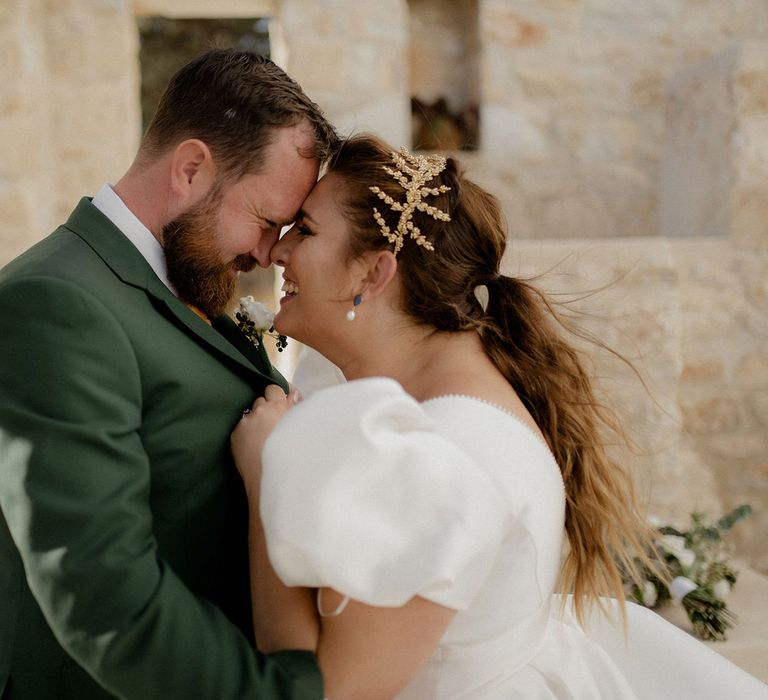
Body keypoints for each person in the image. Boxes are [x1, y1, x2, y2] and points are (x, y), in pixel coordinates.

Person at [231, 134, 768, 699]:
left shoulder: (441, 450)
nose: (276, 252)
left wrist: (267, 476)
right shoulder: (455, 391)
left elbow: (328, 692)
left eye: (306, 231)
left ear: (374, 273)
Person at [0, 49, 337, 699]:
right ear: (190, 169)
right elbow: (105, 602)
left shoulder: (176, 282)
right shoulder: (57, 304)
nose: (270, 254)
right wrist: (277, 692)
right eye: (267, 222)